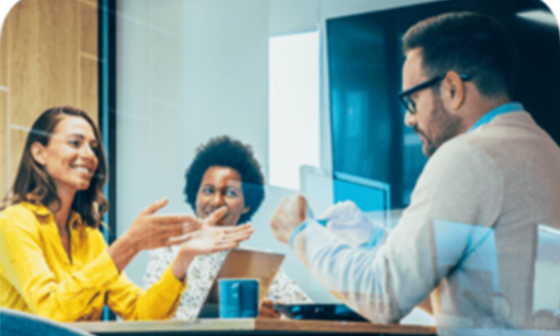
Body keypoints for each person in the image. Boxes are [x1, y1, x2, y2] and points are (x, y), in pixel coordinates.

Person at [269, 12, 560, 335]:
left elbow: (383, 297)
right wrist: (376, 241)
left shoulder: (467, 155)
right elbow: (482, 298)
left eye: (412, 100)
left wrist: (302, 234)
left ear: (452, 88)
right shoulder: (546, 151)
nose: (409, 120)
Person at [0, 107, 253, 322]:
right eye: (75, 143)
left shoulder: (90, 239)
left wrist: (184, 257)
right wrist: (130, 245)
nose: (90, 155)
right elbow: (50, 312)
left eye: (93, 147)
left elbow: (142, 313)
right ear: (39, 152)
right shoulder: (13, 223)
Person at [144, 136, 312, 320]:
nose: (216, 201)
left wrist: (274, 318)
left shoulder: (256, 261)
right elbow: (148, 320)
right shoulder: (167, 252)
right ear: (195, 195)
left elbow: (306, 313)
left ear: (246, 204)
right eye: (208, 190)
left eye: (230, 193)